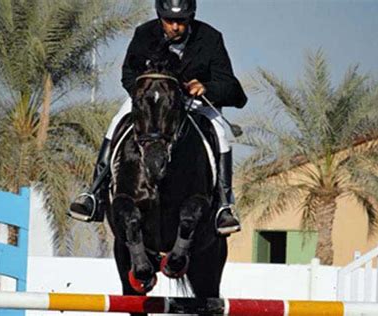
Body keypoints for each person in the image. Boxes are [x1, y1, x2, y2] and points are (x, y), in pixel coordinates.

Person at [69, 0, 247, 235]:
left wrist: (206, 87)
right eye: (169, 21)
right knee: (116, 123)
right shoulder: (145, 34)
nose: (175, 27)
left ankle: (223, 206)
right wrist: (143, 94)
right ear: (159, 16)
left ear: (190, 18)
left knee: (221, 135)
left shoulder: (210, 38)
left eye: (181, 21)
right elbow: (128, 74)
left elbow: (232, 88)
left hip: (194, 103)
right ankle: (95, 194)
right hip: (152, 101)